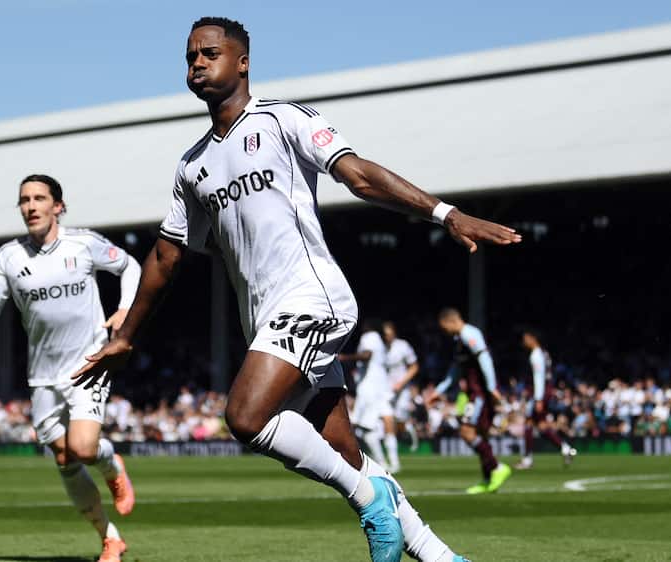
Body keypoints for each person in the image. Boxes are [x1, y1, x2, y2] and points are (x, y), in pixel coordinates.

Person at [75, 17, 520, 562]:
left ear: (243, 62)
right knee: (344, 450)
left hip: (312, 298)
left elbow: (357, 175)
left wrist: (445, 213)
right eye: (190, 56)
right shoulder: (192, 166)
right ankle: (440, 556)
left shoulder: (285, 120)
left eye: (210, 53)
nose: (197, 63)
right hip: (266, 320)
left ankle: (370, 499)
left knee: (245, 416)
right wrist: (126, 335)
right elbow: (167, 256)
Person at [0, 174, 141, 562]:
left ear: (58, 206)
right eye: (24, 200)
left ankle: (112, 465)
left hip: (88, 362)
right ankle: (110, 538)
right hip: (43, 375)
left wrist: (125, 310)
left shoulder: (83, 243)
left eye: (39, 198)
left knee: (83, 448)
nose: (31, 206)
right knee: (64, 459)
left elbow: (130, 266)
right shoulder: (8, 257)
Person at [429, 308, 512, 494]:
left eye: (444, 327)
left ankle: (497, 467)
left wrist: (491, 388)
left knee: (467, 432)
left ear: (450, 321)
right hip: (476, 393)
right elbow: (455, 370)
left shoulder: (469, 334)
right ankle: (488, 480)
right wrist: (439, 390)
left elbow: (485, 358)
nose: (445, 332)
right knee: (481, 435)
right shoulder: (460, 341)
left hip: (480, 394)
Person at [517, 329, 576, 469]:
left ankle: (527, 459)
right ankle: (566, 449)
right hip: (544, 393)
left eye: (526, 338)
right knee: (541, 426)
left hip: (539, 394)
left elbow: (539, 377)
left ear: (533, 338)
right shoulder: (544, 353)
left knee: (528, 424)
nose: (524, 342)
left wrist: (538, 399)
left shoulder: (536, 355)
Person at [340, 320, 394, 473]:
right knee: (372, 426)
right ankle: (391, 461)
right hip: (380, 386)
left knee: (365, 427)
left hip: (369, 387)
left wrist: (345, 358)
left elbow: (367, 355)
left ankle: (381, 463)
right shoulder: (379, 340)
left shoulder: (369, 337)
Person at [383, 321, 420, 473]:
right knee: (387, 422)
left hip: (402, 391)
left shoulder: (403, 346)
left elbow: (414, 367)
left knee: (399, 422)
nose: (387, 337)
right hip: (385, 392)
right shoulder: (379, 347)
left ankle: (407, 428)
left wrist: (401, 383)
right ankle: (393, 462)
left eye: (389, 334)